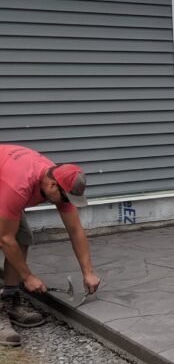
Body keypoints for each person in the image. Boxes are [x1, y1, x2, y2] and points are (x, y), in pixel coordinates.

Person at [0, 144, 101, 347]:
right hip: (6, 183)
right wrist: (27, 277)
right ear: (53, 186)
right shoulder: (19, 185)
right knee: (8, 238)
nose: (66, 203)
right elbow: (5, 239)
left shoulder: (59, 180)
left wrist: (88, 272)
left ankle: (8, 300)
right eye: (66, 198)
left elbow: (75, 231)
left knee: (22, 238)